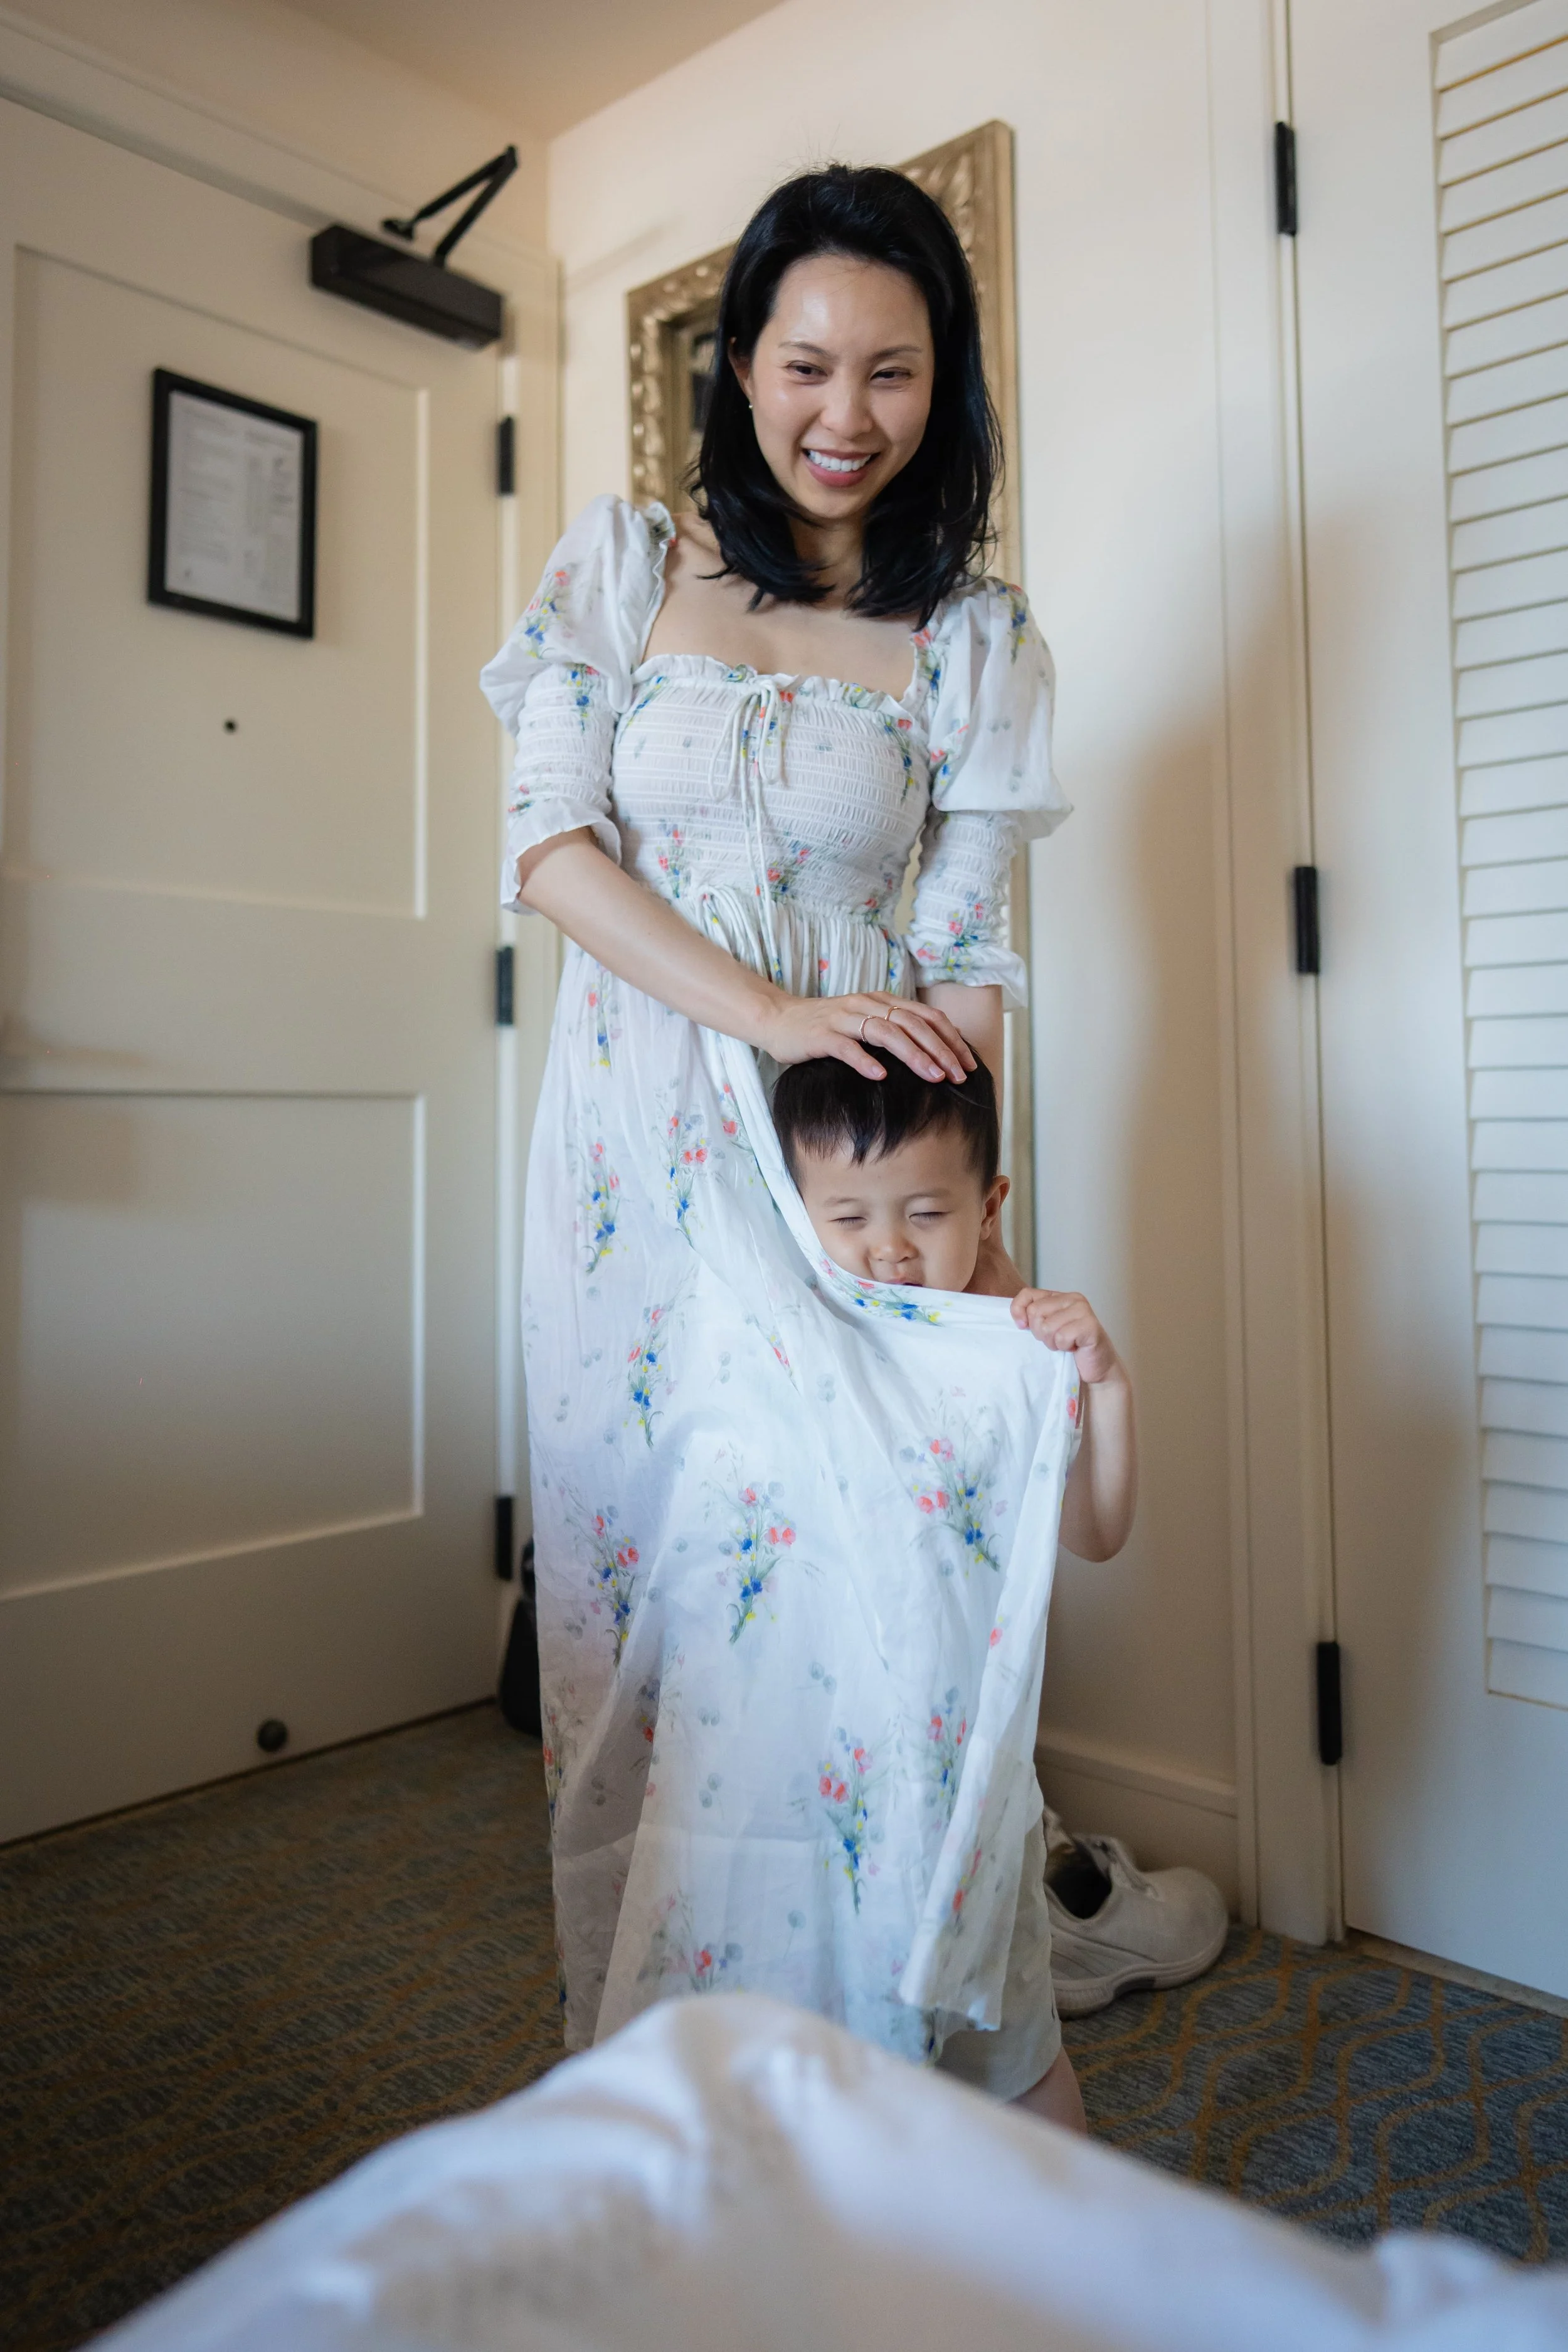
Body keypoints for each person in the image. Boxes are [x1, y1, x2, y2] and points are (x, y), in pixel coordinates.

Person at [482, 163, 1082, 2124]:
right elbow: (553, 846)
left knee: (843, 1607)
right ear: (737, 367)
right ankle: (648, 2071)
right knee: (635, 1608)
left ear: (945, 383)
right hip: (628, 1159)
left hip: (836, 1178)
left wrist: (951, 1230)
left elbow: (965, 960)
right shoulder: (619, 564)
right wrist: (753, 1013)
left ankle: (873, 2058)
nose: (846, 410)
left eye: (893, 370)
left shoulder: (971, 635)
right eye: (806, 360)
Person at [773, 1053, 1137, 1570]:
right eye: (851, 1218)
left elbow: (1095, 1535)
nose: (891, 1248)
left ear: (988, 1211)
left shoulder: (1013, 1336)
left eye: (926, 1215)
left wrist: (1106, 1385)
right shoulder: (794, 1331)